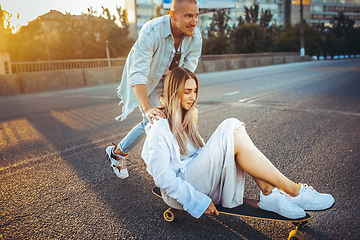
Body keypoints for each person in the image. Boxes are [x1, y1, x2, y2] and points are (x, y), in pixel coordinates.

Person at [141, 67, 335, 219]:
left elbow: (200, 153)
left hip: (195, 178)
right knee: (230, 127)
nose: (193, 97)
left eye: (195, 91)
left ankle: (269, 193)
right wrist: (197, 201)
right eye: (187, 92)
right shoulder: (160, 126)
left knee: (235, 136)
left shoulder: (188, 116)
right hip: (183, 190)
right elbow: (163, 178)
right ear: (174, 92)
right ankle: (294, 191)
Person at [105, 0, 202, 179]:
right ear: (173, 15)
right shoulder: (152, 30)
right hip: (148, 79)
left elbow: (186, 74)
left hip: (171, 80)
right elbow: (138, 73)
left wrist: (185, 100)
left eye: (196, 15)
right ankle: (118, 153)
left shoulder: (195, 37)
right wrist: (148, 108)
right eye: (188, 16)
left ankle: (179, 160)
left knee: (177, 115)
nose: (194, 21)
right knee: (154, 119)